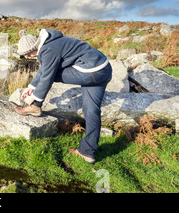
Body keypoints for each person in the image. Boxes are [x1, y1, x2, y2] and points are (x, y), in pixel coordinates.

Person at [15, 29, 112, 164]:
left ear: (35, 46)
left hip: (90, 72)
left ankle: (35, 107)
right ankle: (87, 152)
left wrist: (34, 97)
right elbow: (44, 68)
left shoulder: (49, 49)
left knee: (51, 74)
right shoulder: (52, 43)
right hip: (104, 70)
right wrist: (31, 87)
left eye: (28, 53)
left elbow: (47, 75)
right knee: (91, 110)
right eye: (25, 55)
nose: (28, 57)